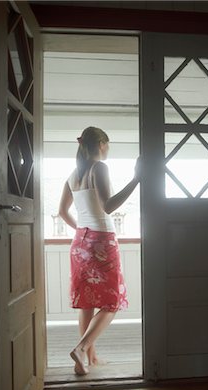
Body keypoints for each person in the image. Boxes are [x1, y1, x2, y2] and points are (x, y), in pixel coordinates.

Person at [58, 126, 141, 375]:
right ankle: (83, 348)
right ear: (102, 144)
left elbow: (63, 211)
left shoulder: (73, 174)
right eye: (108, 145)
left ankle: (88, 359)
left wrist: (83, 233)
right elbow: (108, 206)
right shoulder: (99, 168)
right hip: (102, 241)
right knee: (112, 301)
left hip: (80, 242)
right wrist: (137, 179)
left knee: (87, 302)